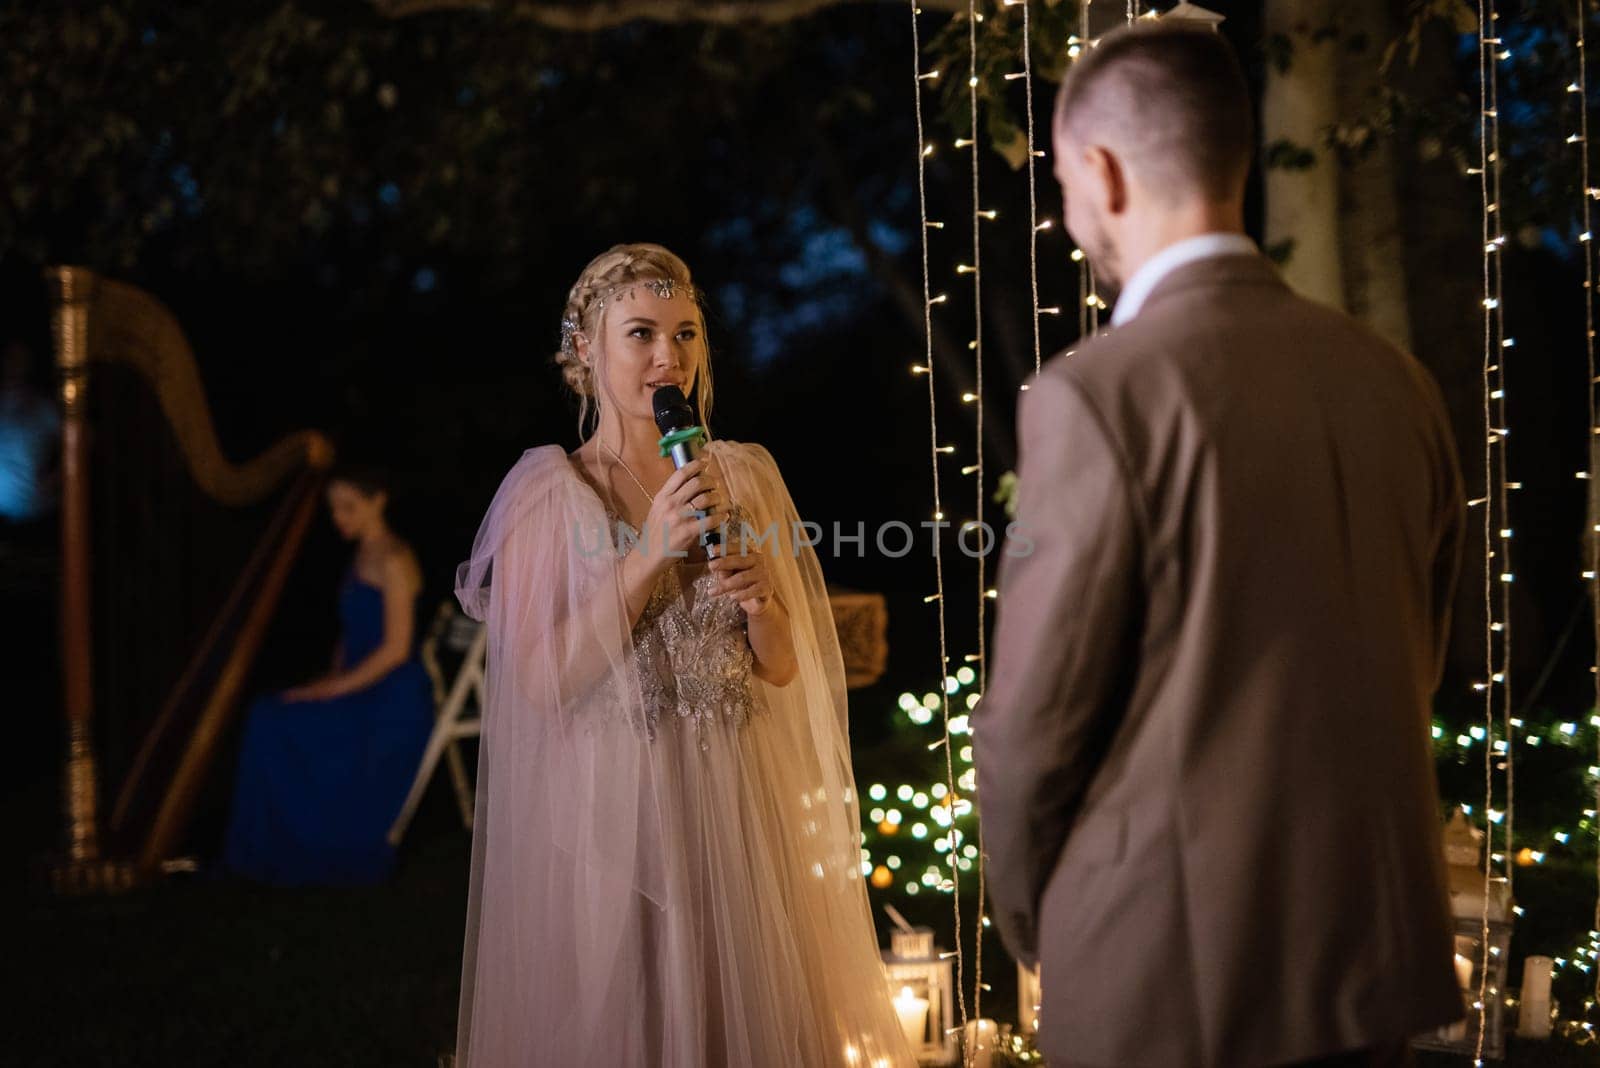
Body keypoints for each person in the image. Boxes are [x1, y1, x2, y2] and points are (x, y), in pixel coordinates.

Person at [975, 26, 1465, 1068]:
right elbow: (1417, 658)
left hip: (1169, 980)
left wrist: (1040, 923)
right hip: (1370, 967)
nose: (1067, 213)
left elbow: (1032, 728)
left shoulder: (1096, 396)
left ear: (1101, 174)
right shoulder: (1396, 381)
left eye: (1061, 182)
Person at [453, 243, 913, 1067]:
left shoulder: (740, 476)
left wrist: (766, 599)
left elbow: (776, 667)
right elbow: (542, 683)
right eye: (641, 334)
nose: (671, 357)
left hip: (739, 811)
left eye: (687, 333)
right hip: (622, 819)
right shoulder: (552, 494)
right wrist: (646, 556)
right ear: (586, 349)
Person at [223, 467, 433, 885]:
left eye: (348, 507)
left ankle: (299, 843)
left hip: (390, 699)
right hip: (360, 684)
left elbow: (395, 650)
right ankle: (270, 844)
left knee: (270, 721)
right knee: (270, 713)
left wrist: (330, 690)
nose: (338, 517)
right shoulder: (360, 554)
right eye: (333, 508)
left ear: (378, 501)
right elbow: (350, 634)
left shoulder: (394, 559)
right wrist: (328, 679)